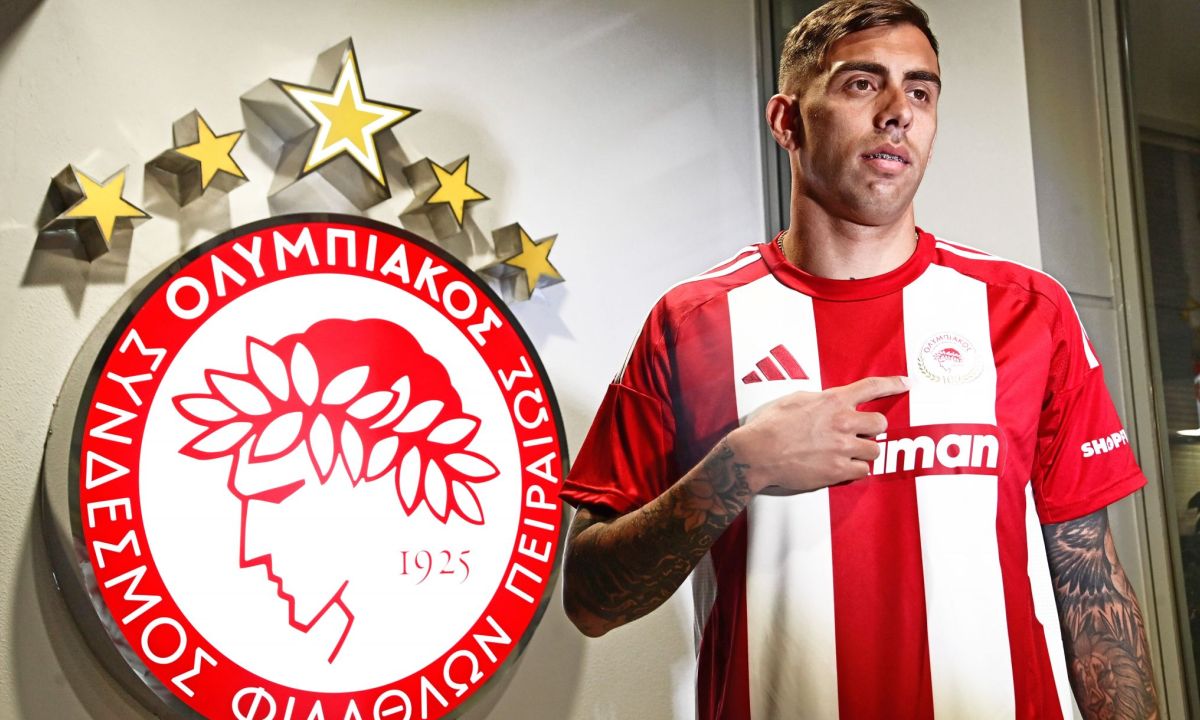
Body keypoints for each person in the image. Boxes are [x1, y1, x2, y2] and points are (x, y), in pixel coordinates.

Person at [558, 1, 1160, 718]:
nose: (899, 112)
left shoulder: (1030, 311)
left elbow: (1091, 585)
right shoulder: (689, 324)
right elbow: (589, 602)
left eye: (921, 91)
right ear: (787, 121)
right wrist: (739, 467)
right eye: (862, 83)